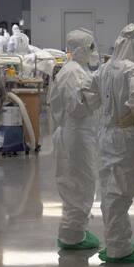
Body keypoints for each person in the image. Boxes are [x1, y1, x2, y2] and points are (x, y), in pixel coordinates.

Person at [82, 23, 134, 263]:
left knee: (109, 189)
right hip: (126, 137)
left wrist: (104, 112)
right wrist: (130, 117)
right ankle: (119, 247)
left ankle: (115, 240)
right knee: (121, 192)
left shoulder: (105, 68)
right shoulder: (133, 71)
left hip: (106, 133)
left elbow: (86, 90)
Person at [50, 29, 101, 250]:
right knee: (79, 183)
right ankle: (72, 236)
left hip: (78, 133)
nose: (93, 51)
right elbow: (77, 106)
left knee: (79, 181)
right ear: (80, 49)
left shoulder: (76, 70)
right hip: (77, 134)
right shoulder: (73, 73)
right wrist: (99, 95)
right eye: (90, 47)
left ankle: (75, 229)